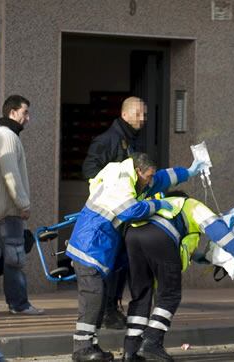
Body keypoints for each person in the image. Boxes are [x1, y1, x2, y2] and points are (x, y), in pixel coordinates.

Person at [68, 152, 206, 362]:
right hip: (90, 244)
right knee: (92, 295)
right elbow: (130, 211)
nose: (150, 181)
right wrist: (157, 205)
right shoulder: (121, 178)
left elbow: (161, 178)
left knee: (98, 295)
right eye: (147, 176)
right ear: (138, 171)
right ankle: (82, 349)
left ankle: (90, 346)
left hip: (97, 244)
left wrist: (189, 171)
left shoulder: (136, 179)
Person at [122, 191, 234, 361]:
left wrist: (198, 256)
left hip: (133, 236)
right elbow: (218, 230)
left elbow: (184, 241)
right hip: (159, 238)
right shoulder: (190, 204)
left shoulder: (162, 205)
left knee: (141, 296)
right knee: (169, 295)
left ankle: (131, 350)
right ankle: (152, 341)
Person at [82, 96, 147, 329]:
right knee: (110, 264)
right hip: (109, 215)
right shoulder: (108, 140)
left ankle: (111, 307)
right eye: (138, 114)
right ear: (125, 115)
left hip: (123, 214)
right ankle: (106, 311)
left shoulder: (130, 141)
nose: (143, 118)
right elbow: (89, 170)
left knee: (120, 264)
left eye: (145, 114)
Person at [0, 95, 43, 315]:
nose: (28, 118)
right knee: (14, 258)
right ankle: (19, 304)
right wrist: (23, 203)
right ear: (13, 112)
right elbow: (10, 173)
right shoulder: (8, 137)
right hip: (8, 210)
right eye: (25, 112)